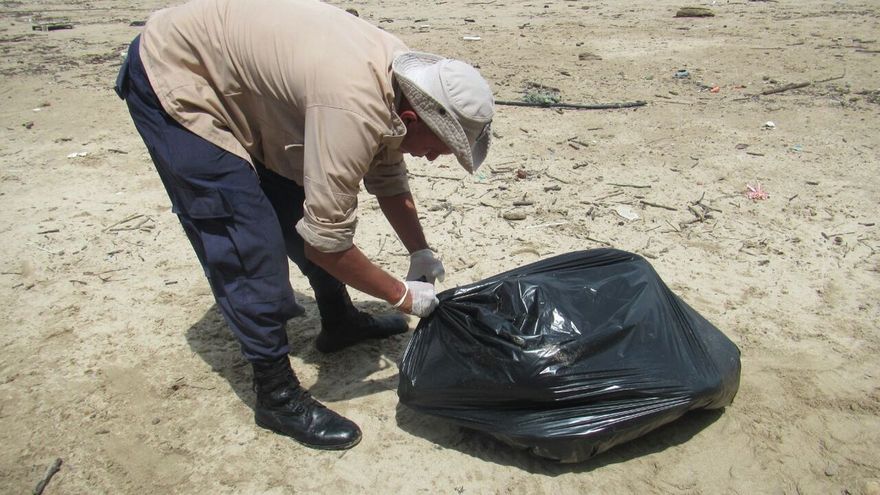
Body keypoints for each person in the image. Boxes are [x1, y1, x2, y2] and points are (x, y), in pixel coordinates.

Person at [115, 0, 494, 451]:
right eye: (438, 149)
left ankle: (339, 321)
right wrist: (402, 295)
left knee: (297, 202)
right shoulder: (353, 107)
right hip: (179, 70)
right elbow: (326, 245)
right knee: (245, 237)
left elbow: (387, 171)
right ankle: (275, 394)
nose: (433, 158)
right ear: (412, 118)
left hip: (247, 78)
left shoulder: (404, 82)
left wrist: (420, 251)